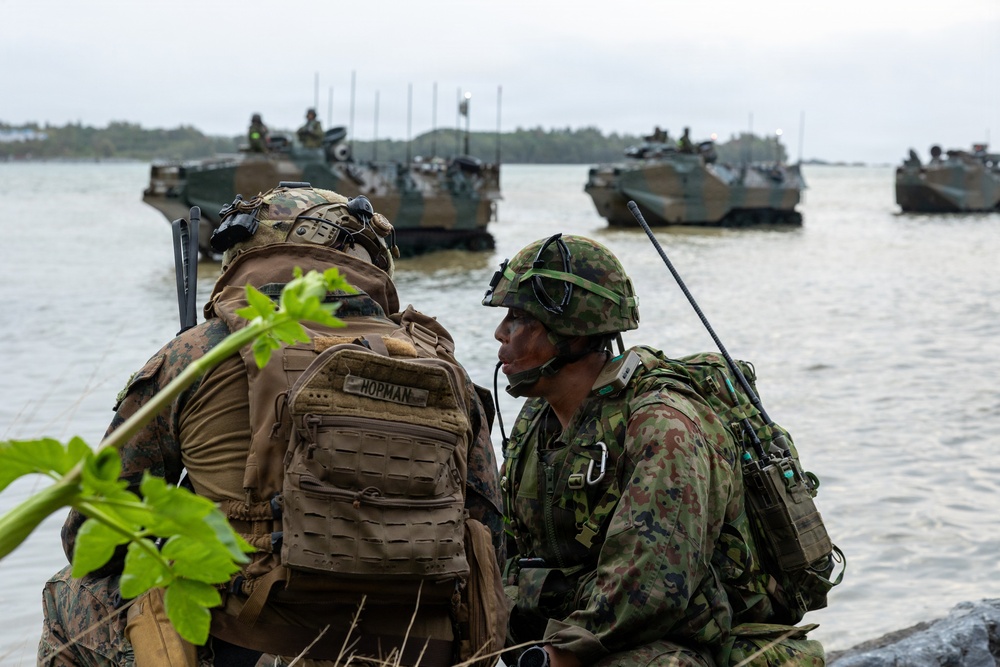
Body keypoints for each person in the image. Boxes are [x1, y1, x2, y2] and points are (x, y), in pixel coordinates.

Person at [39, 184, 505, 667]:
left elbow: (91, 537)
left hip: (252, 644)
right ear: (372, 262)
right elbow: (489, 534)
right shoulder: (441, 366)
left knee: (67, 592)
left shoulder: (196, 354)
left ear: (247, 254)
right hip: (419, 648)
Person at [481, 234, 824, 667]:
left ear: (571, 330)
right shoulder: (536, 420)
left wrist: (555, 657)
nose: (500, 333)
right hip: (587, 631)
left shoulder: (662, 424)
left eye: (518, 319)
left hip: (700, 644)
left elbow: (652, 584)